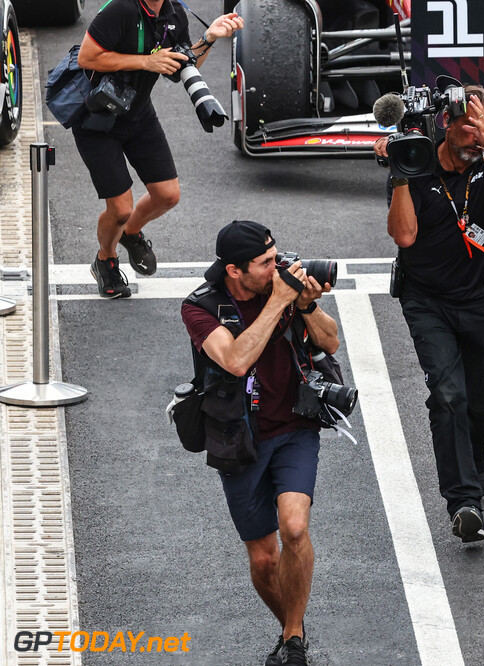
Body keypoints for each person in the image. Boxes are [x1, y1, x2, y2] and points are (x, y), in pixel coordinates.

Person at [181, 220, 338, 666]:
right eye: (266, 262)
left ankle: (292, 639)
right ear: (234, 270)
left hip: (294, 428)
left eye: (276, 256)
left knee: (294, 527)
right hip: (238, 438)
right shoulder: (200, 308)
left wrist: (305, 306)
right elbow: (234, 360)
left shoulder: (283, 288)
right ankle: (294, 626)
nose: (278, 266)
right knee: (265, 558)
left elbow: (331, 343)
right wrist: (281, 301)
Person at [379, 86, 484, 542]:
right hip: (427, 300)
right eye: (465, 121)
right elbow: (403, 237)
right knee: (446, 394)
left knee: (479, 397)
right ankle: (463, 502)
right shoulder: (415, 161)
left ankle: (477, 456)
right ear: (444, 121)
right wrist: (401, 174)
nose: (473, 130)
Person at [75, 0, 243, 298]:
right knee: (121, 209)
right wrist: (145, 61)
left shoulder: (174, 13)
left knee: (168, 195)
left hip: (138, 114)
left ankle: (131, 235)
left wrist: (209, 39)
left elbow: (181, 68)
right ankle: (105, 260)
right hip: (97, 119)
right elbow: (87, 58)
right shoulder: (121, 9)